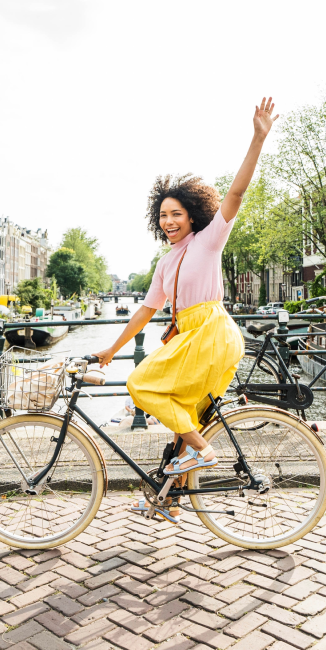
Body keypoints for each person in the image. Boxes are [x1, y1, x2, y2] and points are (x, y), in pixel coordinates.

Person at [92, 97, 278, 522]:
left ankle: (205, 451)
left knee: (141, 384)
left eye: (176, 213)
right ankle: (168, 498)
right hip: (192, 336)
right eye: (162, 215)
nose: (169, 221)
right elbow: (143, 312)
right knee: (180, 415)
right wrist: (110, 349)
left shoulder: (209, 241)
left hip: (211, 332)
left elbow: (236, 191)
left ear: (193, 216)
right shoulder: (165, 261)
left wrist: (257, 138)